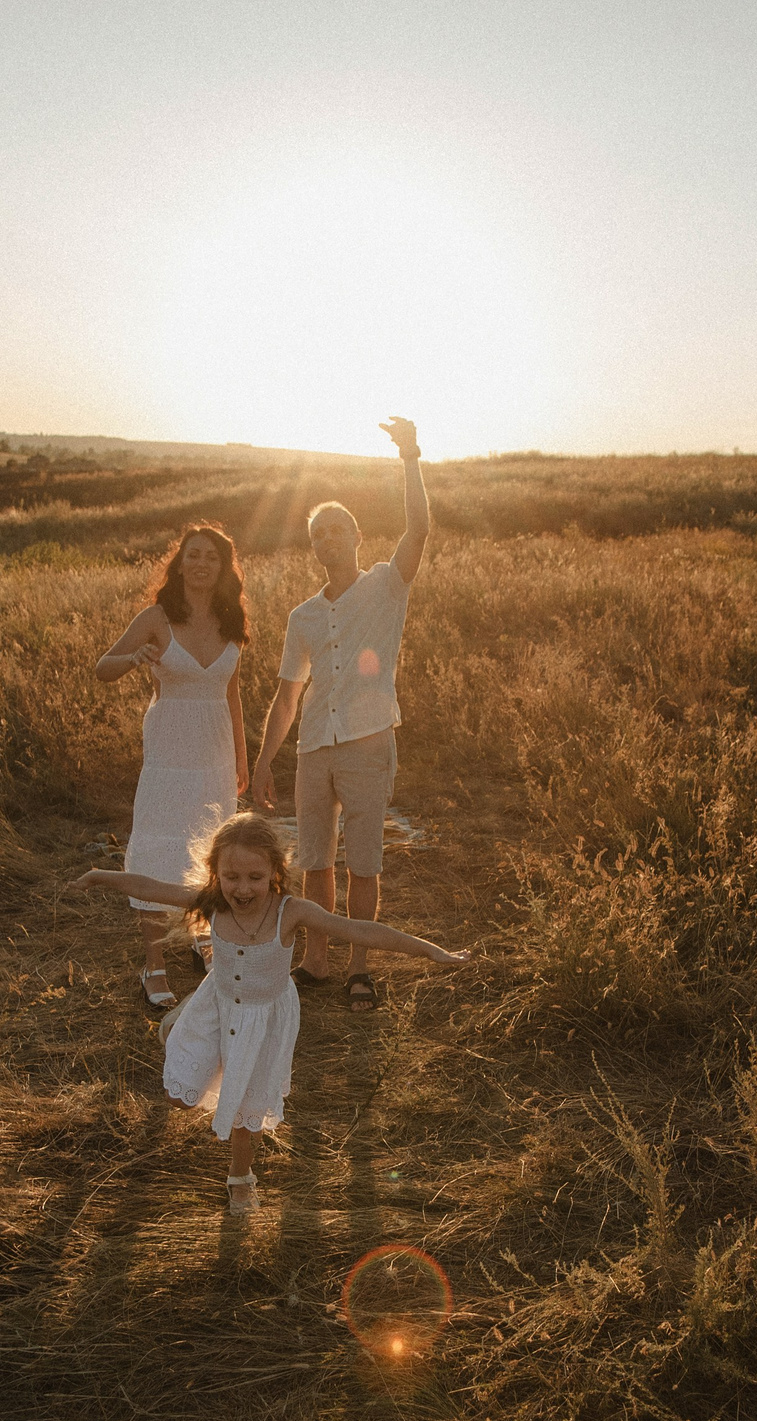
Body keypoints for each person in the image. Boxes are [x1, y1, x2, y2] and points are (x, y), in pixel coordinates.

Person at [77, 812, 468, 1213]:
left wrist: (428, 950)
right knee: (178, 1099)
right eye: (231, 877)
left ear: (275, 872)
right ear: (215, 873)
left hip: (263, 1022)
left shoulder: (291, 912)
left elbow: (359, 929)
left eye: (255, 877)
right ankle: (183, 1021)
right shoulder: (212, 903)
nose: (243, 888)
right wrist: (101, 876)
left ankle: (240, 1178)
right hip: (217, 1007)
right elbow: (151, 888)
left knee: (245, 1109)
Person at [251, 416, 431, 1013]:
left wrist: (410, 456)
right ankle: (316, 961)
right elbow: (287, 696)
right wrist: (263, 763)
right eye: (317, 534)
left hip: (367, 741)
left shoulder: (385, 586)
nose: (327, 539)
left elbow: (418, 529)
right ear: (314, 547)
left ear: (356, 535)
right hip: (313, 749)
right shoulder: (302, 616)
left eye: (336, 529)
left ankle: (359, 968)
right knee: (315, 862)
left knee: (364, 863)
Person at [94, 524, 251, 1007]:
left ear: (224, 568)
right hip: (169, 754)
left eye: (212, 557)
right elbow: (103, 669)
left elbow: (232, 694)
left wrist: (242, 757)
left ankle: (202, 935)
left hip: (215, 753)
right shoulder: (157, 618)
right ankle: (154, 963)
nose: (201, 564)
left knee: (208, 846)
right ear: (180, 563)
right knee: (160, 846)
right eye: (193, 555)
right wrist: (134, 657)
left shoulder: (231, 620)